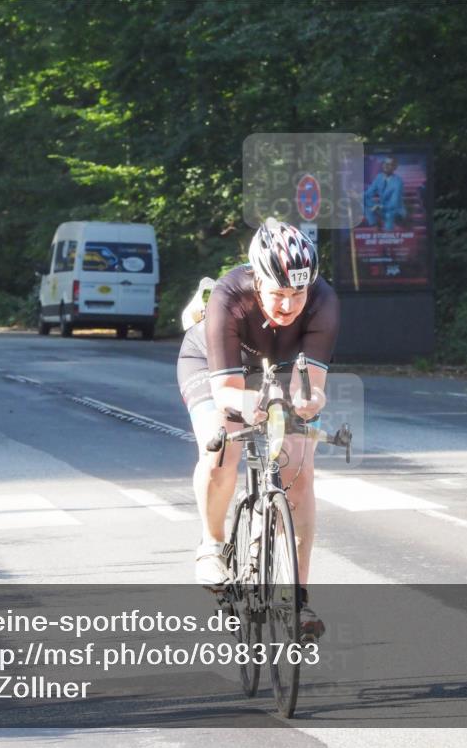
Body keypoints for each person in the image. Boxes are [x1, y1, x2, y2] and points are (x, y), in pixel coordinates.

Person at [176, 218, 340, 640]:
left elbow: (312, 387)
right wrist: (255, 406)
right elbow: (227, 393)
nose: (288, 306)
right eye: (278, 294)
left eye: (298, 294)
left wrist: (308, 402)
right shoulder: (229, 295)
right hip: (213, 366)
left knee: (299, 467)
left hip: (279, 366)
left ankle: (297, 599)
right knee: (221, 447)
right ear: (257, 280)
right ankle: (212, 545)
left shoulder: (323, 301)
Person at [363, 157, 406, 230]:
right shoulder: (379, 177)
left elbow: (394, 204)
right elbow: (369, 193)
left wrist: (380, 206)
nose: (386, 166)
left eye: (389, 164)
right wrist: (358, 195)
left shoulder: (398, 182)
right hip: (382, 208)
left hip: (395, 210)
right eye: (385, 163)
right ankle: (374, 224)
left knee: (389, 214)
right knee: (363, 199)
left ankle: (388, 233)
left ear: (394, 167)